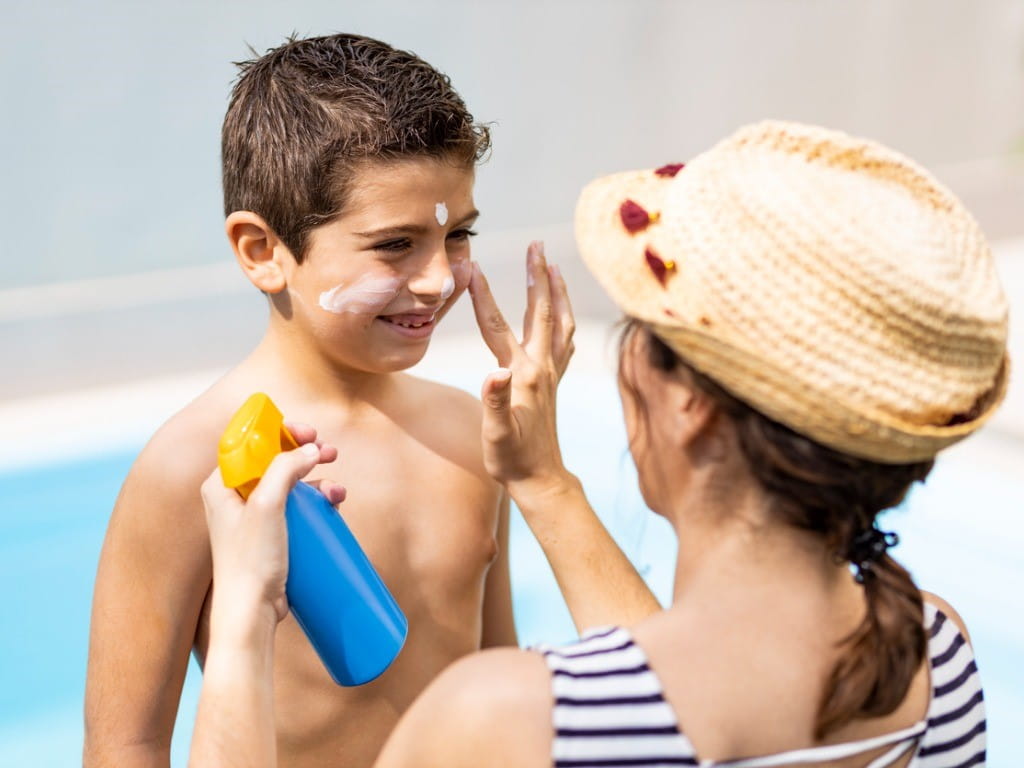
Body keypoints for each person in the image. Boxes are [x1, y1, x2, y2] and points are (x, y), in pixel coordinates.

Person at [193, 121, 1004, 768]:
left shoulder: (506, 724)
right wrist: (543, 482)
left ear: (689, 403)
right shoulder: (940, 661)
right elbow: (662, 690)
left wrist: (238, 621)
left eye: (640, 333)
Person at [84, 33, 651, 768]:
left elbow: (499, 676)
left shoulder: (469, 434)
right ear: (263, 252)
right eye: (394, 244)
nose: (438, 280)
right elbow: (124, 745)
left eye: (458, 235)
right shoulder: (189, 468)